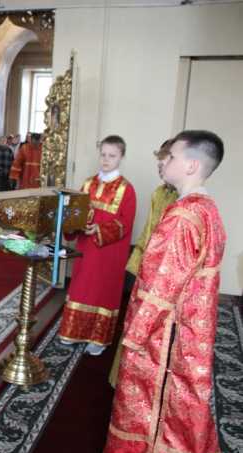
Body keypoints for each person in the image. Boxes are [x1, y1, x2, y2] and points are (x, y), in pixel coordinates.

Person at [101, 130, 226, 453]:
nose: (165, 161)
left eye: (172, 156)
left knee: (152, 410)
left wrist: (134, 337)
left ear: (191, 165)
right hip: (192, 331)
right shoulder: (208, 209)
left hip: (165, 334)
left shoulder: (182, 217)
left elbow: (160, 288)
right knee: (184, 407)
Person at [107, 139, 178, 387]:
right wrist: (138, 266)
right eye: (158, 162)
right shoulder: (159, 193)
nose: (159, 167)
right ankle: (125, 381)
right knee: (135, 325)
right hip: (147, 270)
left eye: (164, 162)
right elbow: (147, 231)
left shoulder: (184, 201)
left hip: (167, 276)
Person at [57, 135, 136, 356]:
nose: (106, 160)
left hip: (109, 252)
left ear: (121, 157)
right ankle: (73, 331)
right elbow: (77, 211)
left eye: (112, 156)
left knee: (103, 291)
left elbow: (126, 223)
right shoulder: (88, 183)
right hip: (86, 248)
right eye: (103, 154)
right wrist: (74, 223)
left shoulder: (127, 189)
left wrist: (99, 229)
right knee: (82, 287)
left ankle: (98, 338)